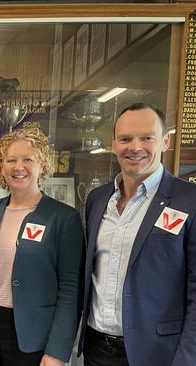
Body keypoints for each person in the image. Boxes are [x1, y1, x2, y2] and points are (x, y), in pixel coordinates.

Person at [77, 103, 196, 366]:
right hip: (97, 349)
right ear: (114, 145)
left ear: (165, 141)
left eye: (146, 137)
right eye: (125, 139)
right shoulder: (97, 200)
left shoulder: (189, 201)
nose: (135, 147)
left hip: (158, 353)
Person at [0, 127, 84, 366]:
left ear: (42, 164)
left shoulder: (64, 218)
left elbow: (70, 290)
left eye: (28, 159)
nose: (19, 167)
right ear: (1, 167)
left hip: (34, 336)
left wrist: (57, 351)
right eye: (10, 160)